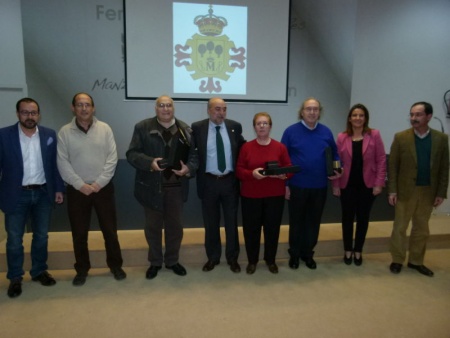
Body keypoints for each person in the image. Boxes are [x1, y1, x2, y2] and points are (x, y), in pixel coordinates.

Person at [57, 92, 126, 286]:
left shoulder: (105, 129)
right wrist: (80, 185)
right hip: (77, 190)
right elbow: (62, 162)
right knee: (79, 233)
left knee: (110, 231)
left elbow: (112, 159)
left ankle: (115, 265)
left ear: (93, 108)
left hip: (102, 188)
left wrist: (98, 184)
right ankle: (82, 268)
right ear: (73, 108)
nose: (84, 108)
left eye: (87, 105)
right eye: (80, 105)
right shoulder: (64, 132)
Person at [126, 95, 198, 279]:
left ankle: (173, 260)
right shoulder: (142, 127)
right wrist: (150, 162)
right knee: (153, 227)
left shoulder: (186, 129)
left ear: (173, 108)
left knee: (175, 227)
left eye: (169, 105)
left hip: (176, 188)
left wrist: (188, 168)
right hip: (151, 187)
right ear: (155, 108)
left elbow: (195, 157)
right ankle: (155, 262)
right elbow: (132, 154)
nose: (166, 109)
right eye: (161, 105)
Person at [0, 97, 64, 298]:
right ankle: (15, 277)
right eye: (25, 112)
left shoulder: (49, 135)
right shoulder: (3, 135)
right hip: (16, 194)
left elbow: (54, 166)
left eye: (33, 112)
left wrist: (58, 189)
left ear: (39, 114)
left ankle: (38, 271)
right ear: (18, 113)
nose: (30, 116)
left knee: (42, 236)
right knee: (14, 240)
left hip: (43, 193)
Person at [388, 101, 449, 277]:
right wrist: (392, 190)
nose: (413, 118)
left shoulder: (441, 139)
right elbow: (393, 166)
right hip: (405, 191)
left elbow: (444, 168)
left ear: (428, 116)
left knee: (421, 229)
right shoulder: (401, 137)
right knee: (400, 227)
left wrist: (441, 192)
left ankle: (416, 261)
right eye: (412, 114)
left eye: (418, 115)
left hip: (428, 191)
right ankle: (397, 259)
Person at [281, 97, 341, 270]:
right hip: (297, 185)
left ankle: (308, 254)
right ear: (302, 112)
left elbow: (335, 155)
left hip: (319, 186)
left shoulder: (326, 132)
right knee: (297, 221)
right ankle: (294, 254)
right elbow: (283, 160)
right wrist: (285, 185)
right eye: (309, 109)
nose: (312, 112)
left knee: (313, 222)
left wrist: (338, 169)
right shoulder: (290, 132)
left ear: (319, 112)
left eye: (315, 109)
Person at [192, 97, 245, 273]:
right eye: (217, 109)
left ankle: (232, 258)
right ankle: (213, 257)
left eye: (224, 109)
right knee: (211, 223)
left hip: (229, 182)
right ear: (208, 110)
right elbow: (191, 152)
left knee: (231, 223)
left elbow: (244, 149)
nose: (221, 113)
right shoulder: (198, 128)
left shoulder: (234, 127)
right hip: (208, 182)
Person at [236, 112, 292, 274]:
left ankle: (270, 260)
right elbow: (239, 171)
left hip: (274, 196)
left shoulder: (280, 147)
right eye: (258, 124)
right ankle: (252, 261)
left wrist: (284, 175)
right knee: (251, 230)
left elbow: (289, 167)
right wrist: (252, 174)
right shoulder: (246, 147)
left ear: (270, 126)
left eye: (265, 123)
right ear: (254, 127)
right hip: (251, 196)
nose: (262, 126)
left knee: (272, 229)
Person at [332, 104, 386, 266]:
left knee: (363, 219)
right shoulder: (342, 137)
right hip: (346, 185)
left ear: (365, 118)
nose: (358, 118)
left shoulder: (374, 135)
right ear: (349, 118)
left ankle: (358, 250)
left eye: (361, 115)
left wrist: (379, 183)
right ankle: (348, 250)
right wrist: (335, 184)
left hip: (367, 185)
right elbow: (336, 162)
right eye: (354, 115)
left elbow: (381, 159)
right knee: (347, 219)